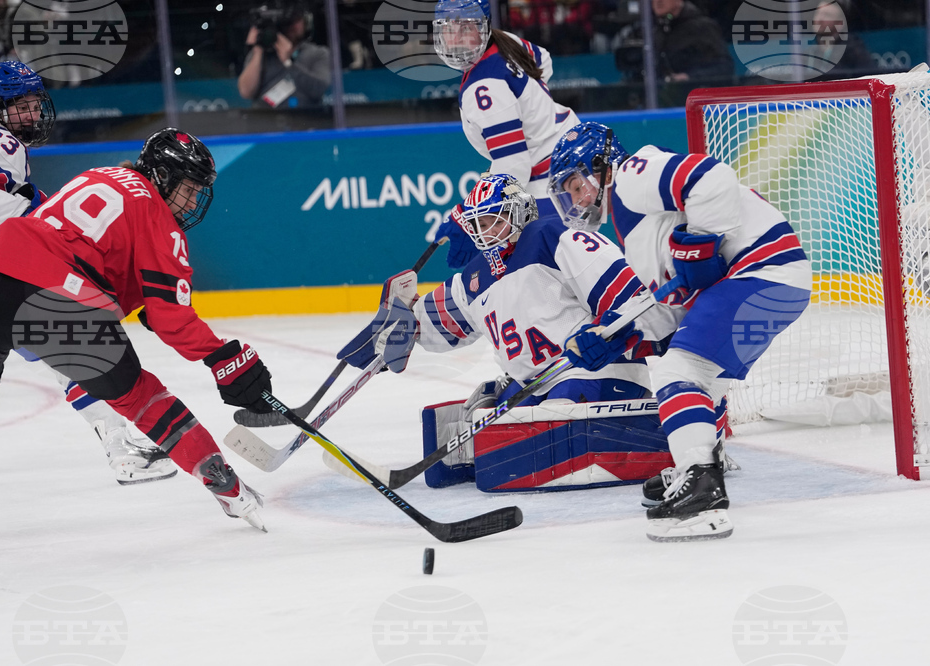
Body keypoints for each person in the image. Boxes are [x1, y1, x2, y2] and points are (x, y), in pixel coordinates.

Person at [0, 128, 273, 531]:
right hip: (59, 300)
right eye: (189, 188)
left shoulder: (98, 175)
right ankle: (230, 491)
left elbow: (78, 242)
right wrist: (227, 359)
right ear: (162, 177)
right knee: (141, 397)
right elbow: (172, 320)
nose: (194, 200)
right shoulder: (159, 218)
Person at [549, 122, 813, 541]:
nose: (579, 198)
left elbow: (711, 178)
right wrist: (615, 337)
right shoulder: (631, 226)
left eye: (578, 183)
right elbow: (671, 316)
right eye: (570, 192)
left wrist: (701, 241)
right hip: (779, 285)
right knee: (703, 378)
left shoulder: (632, 175)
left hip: (761, 272)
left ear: (601, 166)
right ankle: (707, 458)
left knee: (678, 372)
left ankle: (703, 491)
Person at [337, 173, 673, 492]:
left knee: (552, 421)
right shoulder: (474, 278)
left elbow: (630, 297)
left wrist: (611, 333)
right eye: (478, 225)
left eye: (494, 220)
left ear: (521, 211)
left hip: (594, 371)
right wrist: (395, 331)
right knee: (482, 422)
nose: (486, 233)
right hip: (535, 385)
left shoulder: (553, 235)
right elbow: (425, 322)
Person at [0, 60, 177, 486]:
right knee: (70, 352)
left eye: (33, 105)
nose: (32, 115)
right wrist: (42, 215)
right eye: (21, 107)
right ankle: (122, 450)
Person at [430, 0, 582, 269]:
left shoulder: (484, 87)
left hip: (551, 186)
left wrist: (470, 215)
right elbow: (543, 60)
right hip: (570, 161)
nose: (456, 39)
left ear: (484, 27)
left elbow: (515, 166)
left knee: (520, 275)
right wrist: (534, 111)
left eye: (467, 27)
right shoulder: (506, 41)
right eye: (448, 29)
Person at [237, 1, 331, 109]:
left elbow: (318, 89)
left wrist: (288, 62)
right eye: (288, 21)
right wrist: (258, 49)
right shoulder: (262, 54)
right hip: (266, 121)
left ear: (306, 22)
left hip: (307, 118)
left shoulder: (318, 53)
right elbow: (246, 92)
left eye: (297, 20)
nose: (292, 25)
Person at [651, 0, 732, 84]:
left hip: (697, 92)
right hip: (660, 94)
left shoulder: (702, 28)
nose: (658, 1)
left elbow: (724, 67)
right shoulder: (653, 32)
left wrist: (690, 77)